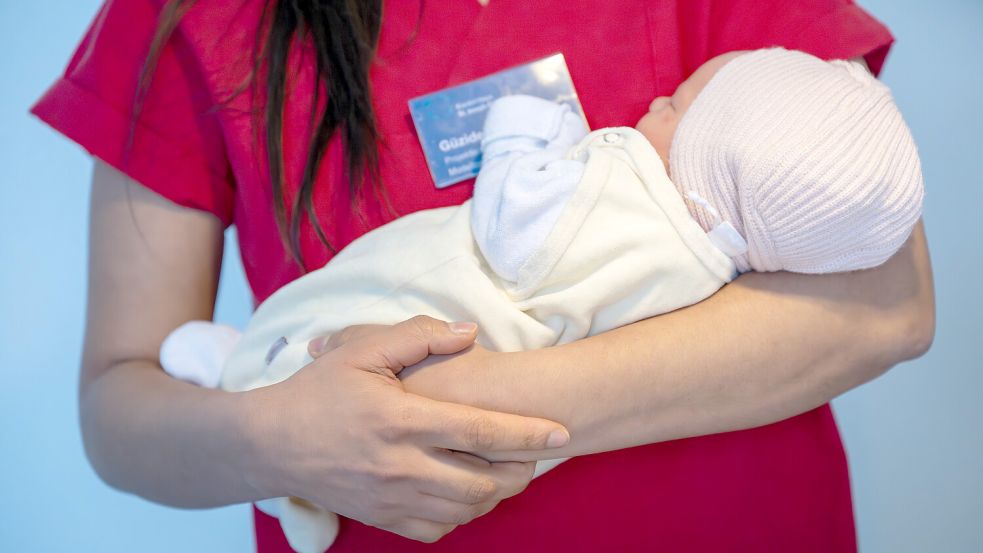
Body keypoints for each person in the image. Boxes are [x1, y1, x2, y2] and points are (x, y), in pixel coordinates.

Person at [32, 1, 935, 551]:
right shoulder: (179, 14)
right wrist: (286, 438)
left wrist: (463, 406)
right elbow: (120, 407)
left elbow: (887, 302)